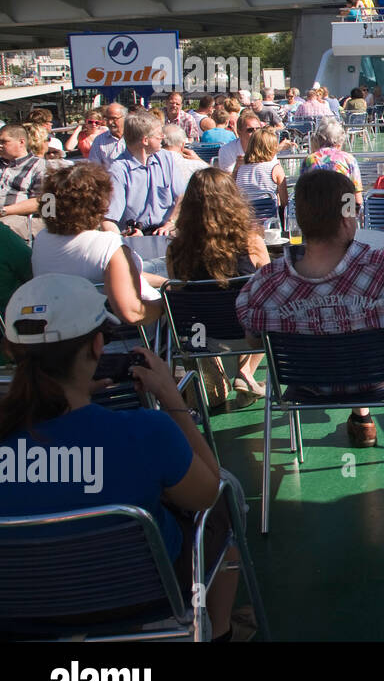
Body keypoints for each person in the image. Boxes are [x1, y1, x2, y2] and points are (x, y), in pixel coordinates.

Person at [0, 274, 244, 641]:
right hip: (142, 597)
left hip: (20, 610)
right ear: (98, 346)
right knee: (228, 495)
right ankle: (222, 631)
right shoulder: (148, 431)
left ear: (11, 350)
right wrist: (172, 401)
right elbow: (209, 494)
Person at [236, 169, 384, 447]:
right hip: (377, 383)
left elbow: (253, 338)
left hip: (304, 385)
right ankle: (362, 416)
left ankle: (359, 419)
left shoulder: (264, 285)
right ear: (345, 219)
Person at [167, 167, 272, 410]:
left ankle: (226, 374)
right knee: (261, 309)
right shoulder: (252, 242)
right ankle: (245, 372)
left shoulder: (176, 250)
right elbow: (269, 291)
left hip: (202, 338)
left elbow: (179, 297)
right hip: (249, 335)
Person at [33, 163, 162, 326]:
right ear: (99, 203)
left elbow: (107, 276)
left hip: (63, 326)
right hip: (122, 336)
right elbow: (132, 313)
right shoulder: (107, 245)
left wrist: (164, 283)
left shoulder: (42, 239)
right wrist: (167, 305)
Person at [103, 113, 183, 237]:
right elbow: (108, 221)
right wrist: (123, 242)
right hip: (136, 236)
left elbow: (181, 196)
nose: (163, 137)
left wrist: (170, 223)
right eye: (159, 135)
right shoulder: (118, 171)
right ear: (145, 140)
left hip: (168, 231)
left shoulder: (166, 158)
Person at [303, 119, 364, 211]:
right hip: (343, 212)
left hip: (315, 213)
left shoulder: (309, 160)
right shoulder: (349, 160)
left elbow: (302, 192)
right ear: (340, 139)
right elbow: (357, 197)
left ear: (319, 138)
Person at [0, 124, 45, 241]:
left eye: (3, 142)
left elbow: (42, 201)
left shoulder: (39, 165)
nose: (0, 146)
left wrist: (4, 211)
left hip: (15, 218)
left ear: (21, 142)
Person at [232, 127, 289, 210]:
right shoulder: (275, 169)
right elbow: (285, 203)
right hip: (269, 218)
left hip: (246, 218)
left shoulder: (240, 168)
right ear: (271, 148)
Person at [161, 124, 213, 198]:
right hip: (188, 205)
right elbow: (216, 178)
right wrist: (199, 160)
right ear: (183, 145)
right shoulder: (196, 166)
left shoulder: (149, 163)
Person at [216, 109, 264, 173]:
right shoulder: (226, 150)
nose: (255, 133)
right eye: (250, 130)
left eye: (258, 129)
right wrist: (237, 167)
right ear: (239, 132)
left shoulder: (266, 147)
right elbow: (228, 180)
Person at [87, 102, 128, 167]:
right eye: (107, 119)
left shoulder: (135, 136)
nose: (110, 122)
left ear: (125, 117)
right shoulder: (99, 141)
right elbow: (94, 167)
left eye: (114, 118)